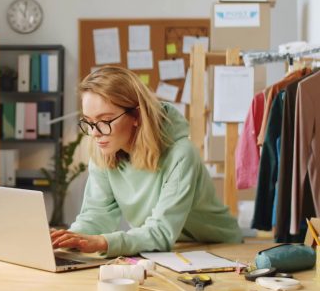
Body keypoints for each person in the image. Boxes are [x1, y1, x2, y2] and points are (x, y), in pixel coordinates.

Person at [50, 66, 242, 257]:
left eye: (105, 120)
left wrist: (103, 242)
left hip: (218, 248)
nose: (95, 133)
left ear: (137, 116)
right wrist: (66, 239)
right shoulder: (104, 151)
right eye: (89, 122)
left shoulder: (182, 154)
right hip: (164, 250)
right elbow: (96, 216)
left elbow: (161, 232)